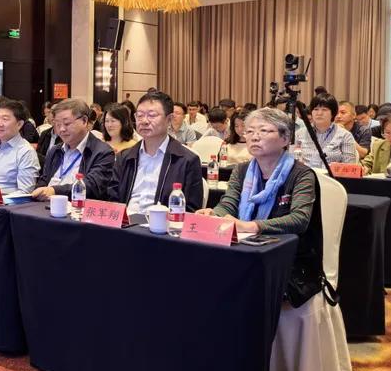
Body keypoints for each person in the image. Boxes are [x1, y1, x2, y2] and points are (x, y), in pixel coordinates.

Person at [196, 107, 323, 322]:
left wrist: (252, 226)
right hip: (246, 250)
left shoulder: (301, 175)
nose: (254, 137)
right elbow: (228, 204)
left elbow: (299, 220)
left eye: (264, 131)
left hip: (289, 260)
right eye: (250, 131)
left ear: (285, 139)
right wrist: (214, 214)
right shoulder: (242, 170)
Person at [108, 91, 203, 215]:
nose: (144, 121)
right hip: (125, 223)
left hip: (162, 225)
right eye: (139, 115)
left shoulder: (187, 160)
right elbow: (113, 198)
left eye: (152, 115)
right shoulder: (125, 157)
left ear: (169, 119)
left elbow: (191, 210)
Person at [31, 99, 114, 201]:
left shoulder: (102, 152)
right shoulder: (55, 151)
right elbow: (44, 180)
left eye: (66, 124)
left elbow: (92, 186)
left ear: (84, 121)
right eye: (57, 124)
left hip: (78, 207)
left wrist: (54, 191)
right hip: (45, 206)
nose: (61, 129)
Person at [294, 93, 357, 169]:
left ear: (333, 113)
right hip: (305, 175)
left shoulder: (345, 135)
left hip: (331, 175)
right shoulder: (299, 134)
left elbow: (350, 167)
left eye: (324, 110)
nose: (319, 113)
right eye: (316, 109)